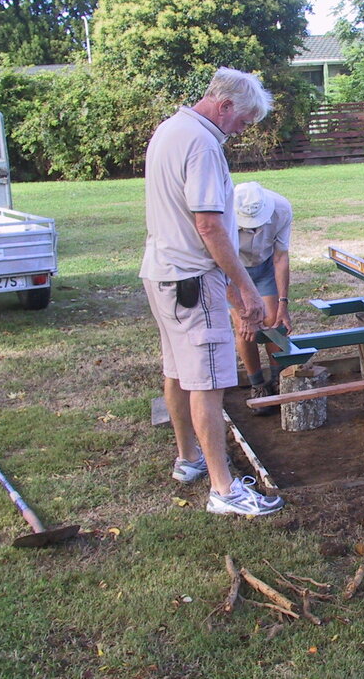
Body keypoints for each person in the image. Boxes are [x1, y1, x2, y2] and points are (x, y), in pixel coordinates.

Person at [140, 67, 284, 516]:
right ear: (224, 106)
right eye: (242, 121)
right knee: (209, 379)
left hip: (161, 273)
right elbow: (209, 225)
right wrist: (243, 289)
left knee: (179, 371)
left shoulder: (170, 129)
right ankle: (224, 490)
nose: (242, 131)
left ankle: (190, 460)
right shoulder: (202, 144)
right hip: (191, 280)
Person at [232, 181, 293, 415]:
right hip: (234, 271)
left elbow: (280, 258)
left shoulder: (281, 209)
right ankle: (257, 384)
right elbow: (222, 265)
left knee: (273, 323)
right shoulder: (223, 215)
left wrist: (283, 303)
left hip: (266, 266)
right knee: (244, 328)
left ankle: (279, 381)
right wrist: (243, 311)